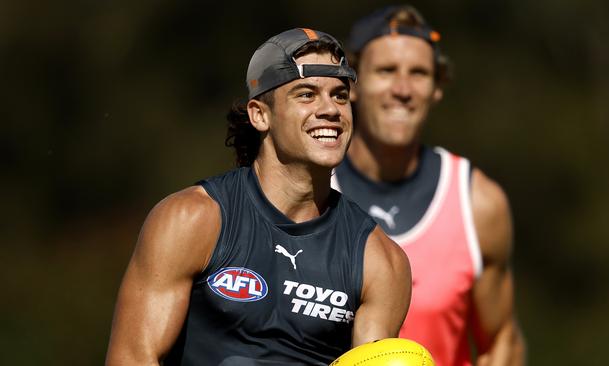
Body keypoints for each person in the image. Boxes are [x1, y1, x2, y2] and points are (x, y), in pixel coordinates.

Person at [105, 28, 411, 366]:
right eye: (306, 95)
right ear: (260, 115)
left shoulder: (379, 260)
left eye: (340, 95)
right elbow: (132, 357)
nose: (331, 110)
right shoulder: (192, 219)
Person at [331, 6, 526, 366]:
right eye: (386, 71)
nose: (403, 89)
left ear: (437, 88)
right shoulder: (305, 190)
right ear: (351, 85)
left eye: (419, 73)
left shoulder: (477, 202)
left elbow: (501, 341)